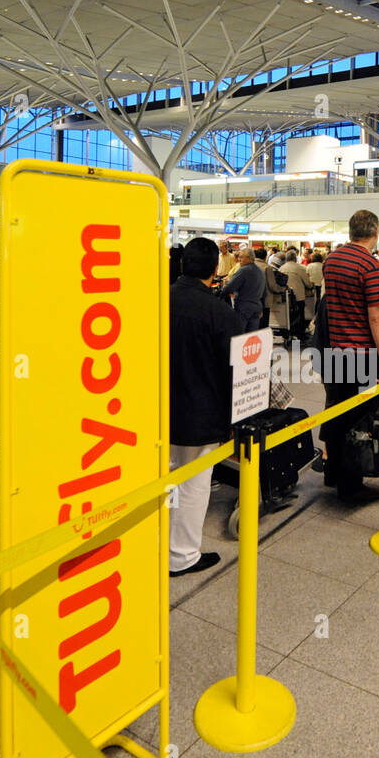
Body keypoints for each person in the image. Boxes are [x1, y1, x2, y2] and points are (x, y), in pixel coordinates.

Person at [168, 236, 244, 576]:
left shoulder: (157, 300)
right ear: (215, 269)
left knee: (165, 479)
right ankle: (181, 555)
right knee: (195, 484)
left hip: (155, 411)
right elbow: (233, 371)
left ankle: (156, 543)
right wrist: (234, 419)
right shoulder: (219, 312)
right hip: (199, 415)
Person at [321, 210, 379, 505]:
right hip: (361, 354)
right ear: (375, 232)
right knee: (358, 422)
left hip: (336, 349)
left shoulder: (331, 260)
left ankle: (333, 472)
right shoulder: (371, 266)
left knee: (337, 413)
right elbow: (376, 317)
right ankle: (351, 486)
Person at [222, 246, 267, 333]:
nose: (239, 259)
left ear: (249, 258)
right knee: (251, 337)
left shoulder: (244, 270)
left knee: (240, 335)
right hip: (257, 307)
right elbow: (264, 292)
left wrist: (221, 293)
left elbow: (229, 287)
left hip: (243, 308)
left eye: (241, 257)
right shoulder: (261, 271)